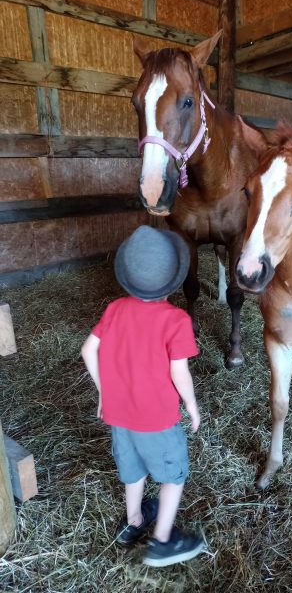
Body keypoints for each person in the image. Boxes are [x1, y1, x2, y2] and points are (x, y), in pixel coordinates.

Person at [81, 225, 204, 567]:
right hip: (157, 420)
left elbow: (88, 350)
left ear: (129, 277)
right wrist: (192, 405)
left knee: (132, 472)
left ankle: (132, 522)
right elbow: (179, 372)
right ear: (172, 280)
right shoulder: (176, 319)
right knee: (172, 477)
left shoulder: (115, 309)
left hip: (118, 416)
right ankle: (163, 541)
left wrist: (104, 392)